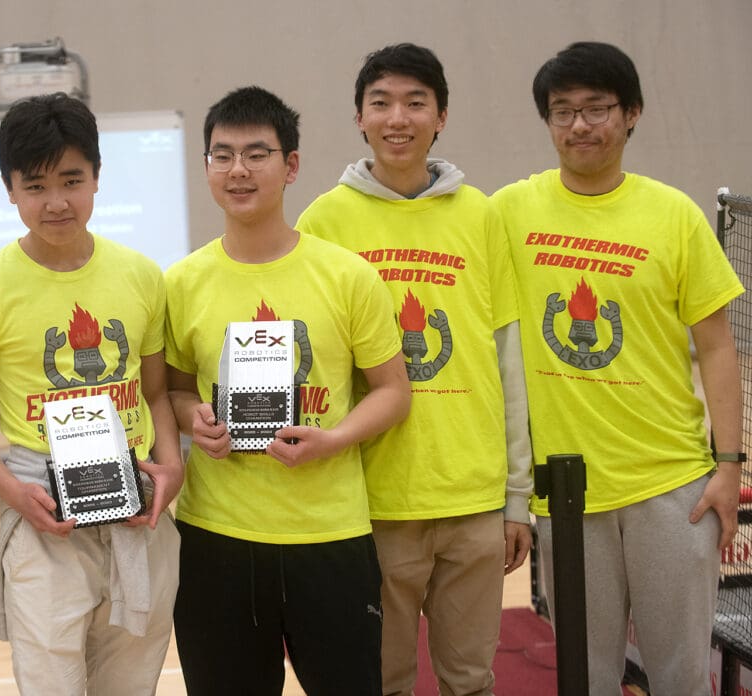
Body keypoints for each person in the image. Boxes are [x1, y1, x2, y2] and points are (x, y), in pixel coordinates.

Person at [492, 41, 744, 695]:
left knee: (681, 676)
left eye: (597, 108)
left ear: (630, 114)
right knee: (586, 678)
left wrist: (728, 466)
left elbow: (718, 347)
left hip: (672, 488)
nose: (579, 125)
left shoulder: (675, 216)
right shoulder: (509, 212)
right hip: (565, 493)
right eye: (563, 111)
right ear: (547, 122)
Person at [296, 42, 532, 696]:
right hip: (373, 503)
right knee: (382, 682)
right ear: (359, 118)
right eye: (381, 103)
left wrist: (517, 496)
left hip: (474, 498)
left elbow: (509, 361)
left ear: (442, 116)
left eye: (415, 102)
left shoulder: (480, 216)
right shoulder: (324, 220)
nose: (398, 118)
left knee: (470, 680)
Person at [165, 85, 410, 696]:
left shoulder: (347, 275)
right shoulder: (181, 282)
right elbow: (170, 391)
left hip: (330, 536)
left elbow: (393, 392)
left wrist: (334, 439)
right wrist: (195, 420)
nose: (238, 170)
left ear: (291, 165)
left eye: (257, 154)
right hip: (216, 538)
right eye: (222, 156)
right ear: (206, 168)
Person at [0, 92, 183, 695]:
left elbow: (155, 395)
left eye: (72, 180)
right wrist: (13, 492)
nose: (56, 202)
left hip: (137, 507)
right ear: (10, 189)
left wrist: (173, 466)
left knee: (131, 685)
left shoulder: (142, 276)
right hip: (41, 509)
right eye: (36, 185)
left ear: (97, 177)